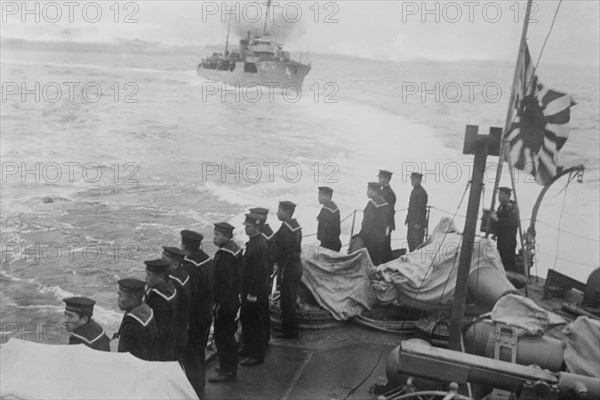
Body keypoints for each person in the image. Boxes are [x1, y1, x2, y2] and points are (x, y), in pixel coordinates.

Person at [180, 229, 214, 396]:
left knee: (191, 356)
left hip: (193, 319)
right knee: (200, 352)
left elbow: (189, 296)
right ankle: (200, 386)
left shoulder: (190, 267)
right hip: (206, 314)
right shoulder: (207, 260)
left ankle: (195, 391)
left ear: (184, 245)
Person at [209, 222, 242, 383]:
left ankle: (226, 370)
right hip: (233, 300)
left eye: (217, 235)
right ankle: (230, 365)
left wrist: (217, 303)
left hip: (225, 303)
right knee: (227, 334)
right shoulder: (234, 249)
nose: (214, 237)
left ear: (227, 236)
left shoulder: (225, 256)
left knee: (222, 336)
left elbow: (225, 283)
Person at [240, 213, 269, 366]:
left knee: (254, 322)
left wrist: (253, 293)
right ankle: (247, 347)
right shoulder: (254, 242)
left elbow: (261, 272)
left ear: (257, 226)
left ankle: (257, 355)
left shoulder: (260, 245)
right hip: (248, 290)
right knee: (246, 318)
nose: (245, 228)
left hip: (254, 292)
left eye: (248, 226)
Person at [273, 201, 302, 339]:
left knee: (288, 301)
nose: (277, 213)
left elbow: (284, 253)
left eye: (279, 210)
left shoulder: (286, 230)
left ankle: (291, 333)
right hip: (295, 266)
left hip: (289, 268)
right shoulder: (294, 226)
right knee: (288, 300)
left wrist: (281, 271)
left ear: (286, 212)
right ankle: (286, 328)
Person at [115, 278, 159, 361]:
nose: (118, 299)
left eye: (120, 295)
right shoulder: (145, 309)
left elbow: (135, 361)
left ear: (132, 299)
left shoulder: (132, 328)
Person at [248, 207, 274, 345]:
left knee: (258, 315)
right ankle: (263, 340)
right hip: (264, 281)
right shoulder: (262, 237)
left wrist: (253, 292)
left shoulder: (262, 240)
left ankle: (259, 346)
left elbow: (262, 267)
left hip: (260, 283)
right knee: (262, 313)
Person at [144, 259, 178, 361]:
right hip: (171, 341)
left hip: (161, 348)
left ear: (160, 277)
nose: (146, 278)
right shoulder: (170, 288)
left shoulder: (159, 301)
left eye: (149, 275)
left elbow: (158, 331)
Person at [162, 246, 191, 362]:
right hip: (181, 328)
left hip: (173, 331)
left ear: (174, 265)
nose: (160, 263)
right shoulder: (183, 275)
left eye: (164, 260)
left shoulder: (173, 282)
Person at [358, 182, 389, 266]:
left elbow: (367, 223)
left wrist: (361, 236)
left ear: (375, 191)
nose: (367, 192)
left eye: (369, 190)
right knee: (376, 258)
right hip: (380, 236)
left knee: (369, 259)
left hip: (371, 236)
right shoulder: (384, 202)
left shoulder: (372, 204)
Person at [491, 186, 520, 273]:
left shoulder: (512, 208)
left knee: (508, 263)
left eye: (501, 194)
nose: (499, 196)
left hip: (508, 241)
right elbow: (500, 225)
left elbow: (511, 223)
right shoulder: (501, 207)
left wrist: (497, 219)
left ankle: (513, 281)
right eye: (498, 194)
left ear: (508, 196)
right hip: (501, 239)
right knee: (501, 261)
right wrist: (495, 233)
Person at [405, 172, 428, 252]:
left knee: (417, 244)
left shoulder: (422, 192)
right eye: (411, 179)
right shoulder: (414, 190)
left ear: (419, 180)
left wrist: (418, 222)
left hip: (417, 224)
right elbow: (411, 207)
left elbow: (421, 209)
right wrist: (407, 219)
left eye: (414, 179)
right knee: (410, 241)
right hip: (411, 222)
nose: (412, 181)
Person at [378, 170, 396, 262]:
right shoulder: (382, 191)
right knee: (381, 245)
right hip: (380, 223)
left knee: (385, 245)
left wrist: (387, 226)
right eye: (379, 177)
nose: (379, 179)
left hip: (385, 224)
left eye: (381, 178)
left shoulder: (389, 194)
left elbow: (389, 212)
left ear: (387, 179)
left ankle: (386, 263)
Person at [316, 186, 342, 252]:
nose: (318, 198)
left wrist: (322, 247)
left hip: (328, 245)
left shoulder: (327, 211)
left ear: (327, 197)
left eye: (320, 195)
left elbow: (326, 231)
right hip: (333, 243)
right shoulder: (332, 208)